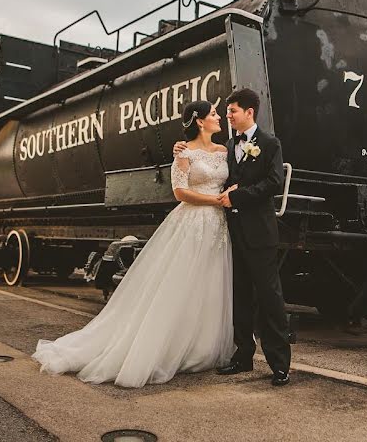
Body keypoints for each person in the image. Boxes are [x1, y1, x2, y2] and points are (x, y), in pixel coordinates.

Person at [32, 100, 234, 388]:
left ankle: (200, 349)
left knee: (209, 284)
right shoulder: (183, 153)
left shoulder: (224, 151)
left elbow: (231, 180)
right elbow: (180, 192)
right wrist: (216, 200)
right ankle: (166, 346)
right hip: (193, 224)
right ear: (200, 121)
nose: (218, 117)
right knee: (179, 285)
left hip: (218, 226)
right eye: (213, 114)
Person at [174, 87, 291, 386]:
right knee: (239, 296)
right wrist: (180, 149)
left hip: (260, 233)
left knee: (269, 297)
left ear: (249, 112)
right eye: (224, 112)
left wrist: (238, 197)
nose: (227, 116)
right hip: (230, 232)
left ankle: (280, 364)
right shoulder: (226, 146)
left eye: (232, 111)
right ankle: (242, 357)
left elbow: (273, 183)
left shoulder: (270, 143)